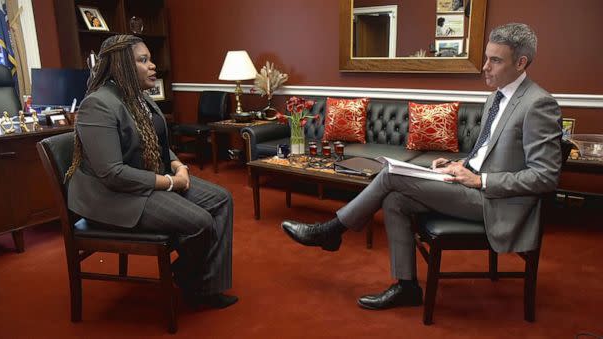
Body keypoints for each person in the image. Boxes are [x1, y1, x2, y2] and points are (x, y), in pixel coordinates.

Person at [281, 23, 562, 310]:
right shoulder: (496, 96)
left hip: (496, 203)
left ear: (521, 62)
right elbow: (486, 151)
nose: (485, 67)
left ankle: (332, 230)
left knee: (392, 175)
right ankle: (406, 286)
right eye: (486, 58)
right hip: (472, 185)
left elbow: (545, 176)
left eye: (495, 60)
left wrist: (481, 181)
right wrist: (458, 164)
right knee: (395, 198)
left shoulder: (538, 104)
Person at [66, 35, 237, 309]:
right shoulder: (98, 105)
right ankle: (188, 276)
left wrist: (178, 165)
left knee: (222, 199)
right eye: (143, 60)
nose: (153, 66)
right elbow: (112, 174)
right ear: (122, 65)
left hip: (146, 180)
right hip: (114, 197)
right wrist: (170, 182)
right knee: (199, 222)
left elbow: (157, 143)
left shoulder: (139, 97)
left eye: (150, 59)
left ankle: (203, 283)